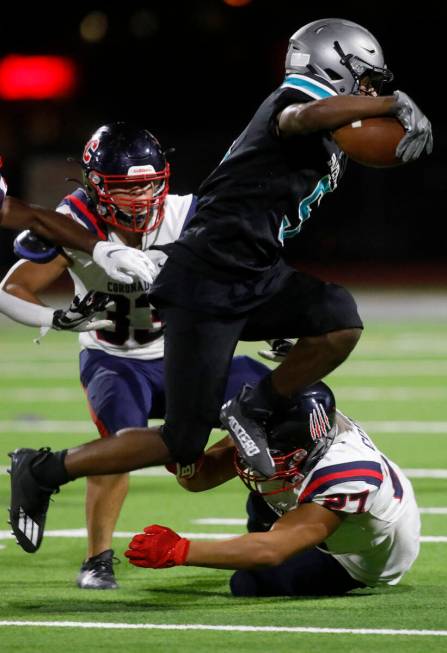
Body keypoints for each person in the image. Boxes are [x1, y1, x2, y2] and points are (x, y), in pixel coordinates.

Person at [8, 18, 432, 554]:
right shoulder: (297, 97)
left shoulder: (327, 118)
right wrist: (388, 105)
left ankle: (253, 406)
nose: (371, 88)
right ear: (334, 64)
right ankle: (42, 469)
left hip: (251, 271)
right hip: (209, 274)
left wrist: (381, 113)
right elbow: (305, 116)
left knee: (337, 320)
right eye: (365, 78)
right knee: (182, 441)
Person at [1, 122, 271, 588]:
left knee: (271, 405)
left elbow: (244, 272)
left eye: (149, 183)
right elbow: (12, 288)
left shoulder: (188, 214)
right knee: (116, 447)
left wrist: (273, 321)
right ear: (98, 187)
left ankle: (263, 522)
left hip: (185, 353)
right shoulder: (76, 224)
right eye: (128, 187)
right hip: (115, 359)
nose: (142, 196)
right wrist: (54, 319)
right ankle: (97, 558)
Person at [125, 382, 421, 597]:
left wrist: (181, 551)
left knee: (248, 583)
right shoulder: (298, 430)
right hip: (317, 491)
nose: (246, 457)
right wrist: (183, 458)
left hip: (361, 554)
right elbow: (200, 479)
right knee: (265, 487)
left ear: (299, 452)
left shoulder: (346, 474)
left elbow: (271, 550)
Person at [0, 162, 155, 288]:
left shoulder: (175, 211)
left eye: (145, 183)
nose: (137, 193)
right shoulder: (81, 215)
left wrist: (98, 248)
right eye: (123, 185)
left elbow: (26, 214)